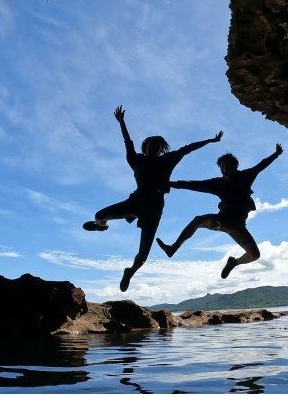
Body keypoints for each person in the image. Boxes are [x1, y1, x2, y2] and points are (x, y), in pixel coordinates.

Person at [83, 105, 222, 292]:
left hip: (155, 206)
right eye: (150, 145)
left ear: (160, 149)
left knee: (143, 253)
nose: (153, 148)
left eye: (157, 146)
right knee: (99, 214)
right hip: (136, 200)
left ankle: (130, 272)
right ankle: (102, 226)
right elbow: (127, 142)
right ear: (145, 146)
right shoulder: (136, 160)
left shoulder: (168, 160)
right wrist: (122, 123)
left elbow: (188, 149)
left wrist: (211, 141)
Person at [156, 144, 283, 279]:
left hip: (238, 226)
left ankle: (233, 262)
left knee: (254, 255)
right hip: (222, 220)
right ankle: (173, 248)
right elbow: (193, 184)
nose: (224, 168)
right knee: (198, 220)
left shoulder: (246, 176)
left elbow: (261, 165)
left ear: (235, 166)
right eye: (221, 166)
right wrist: (171, 184)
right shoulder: (217, 183)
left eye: (227, 165)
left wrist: (275, 154)